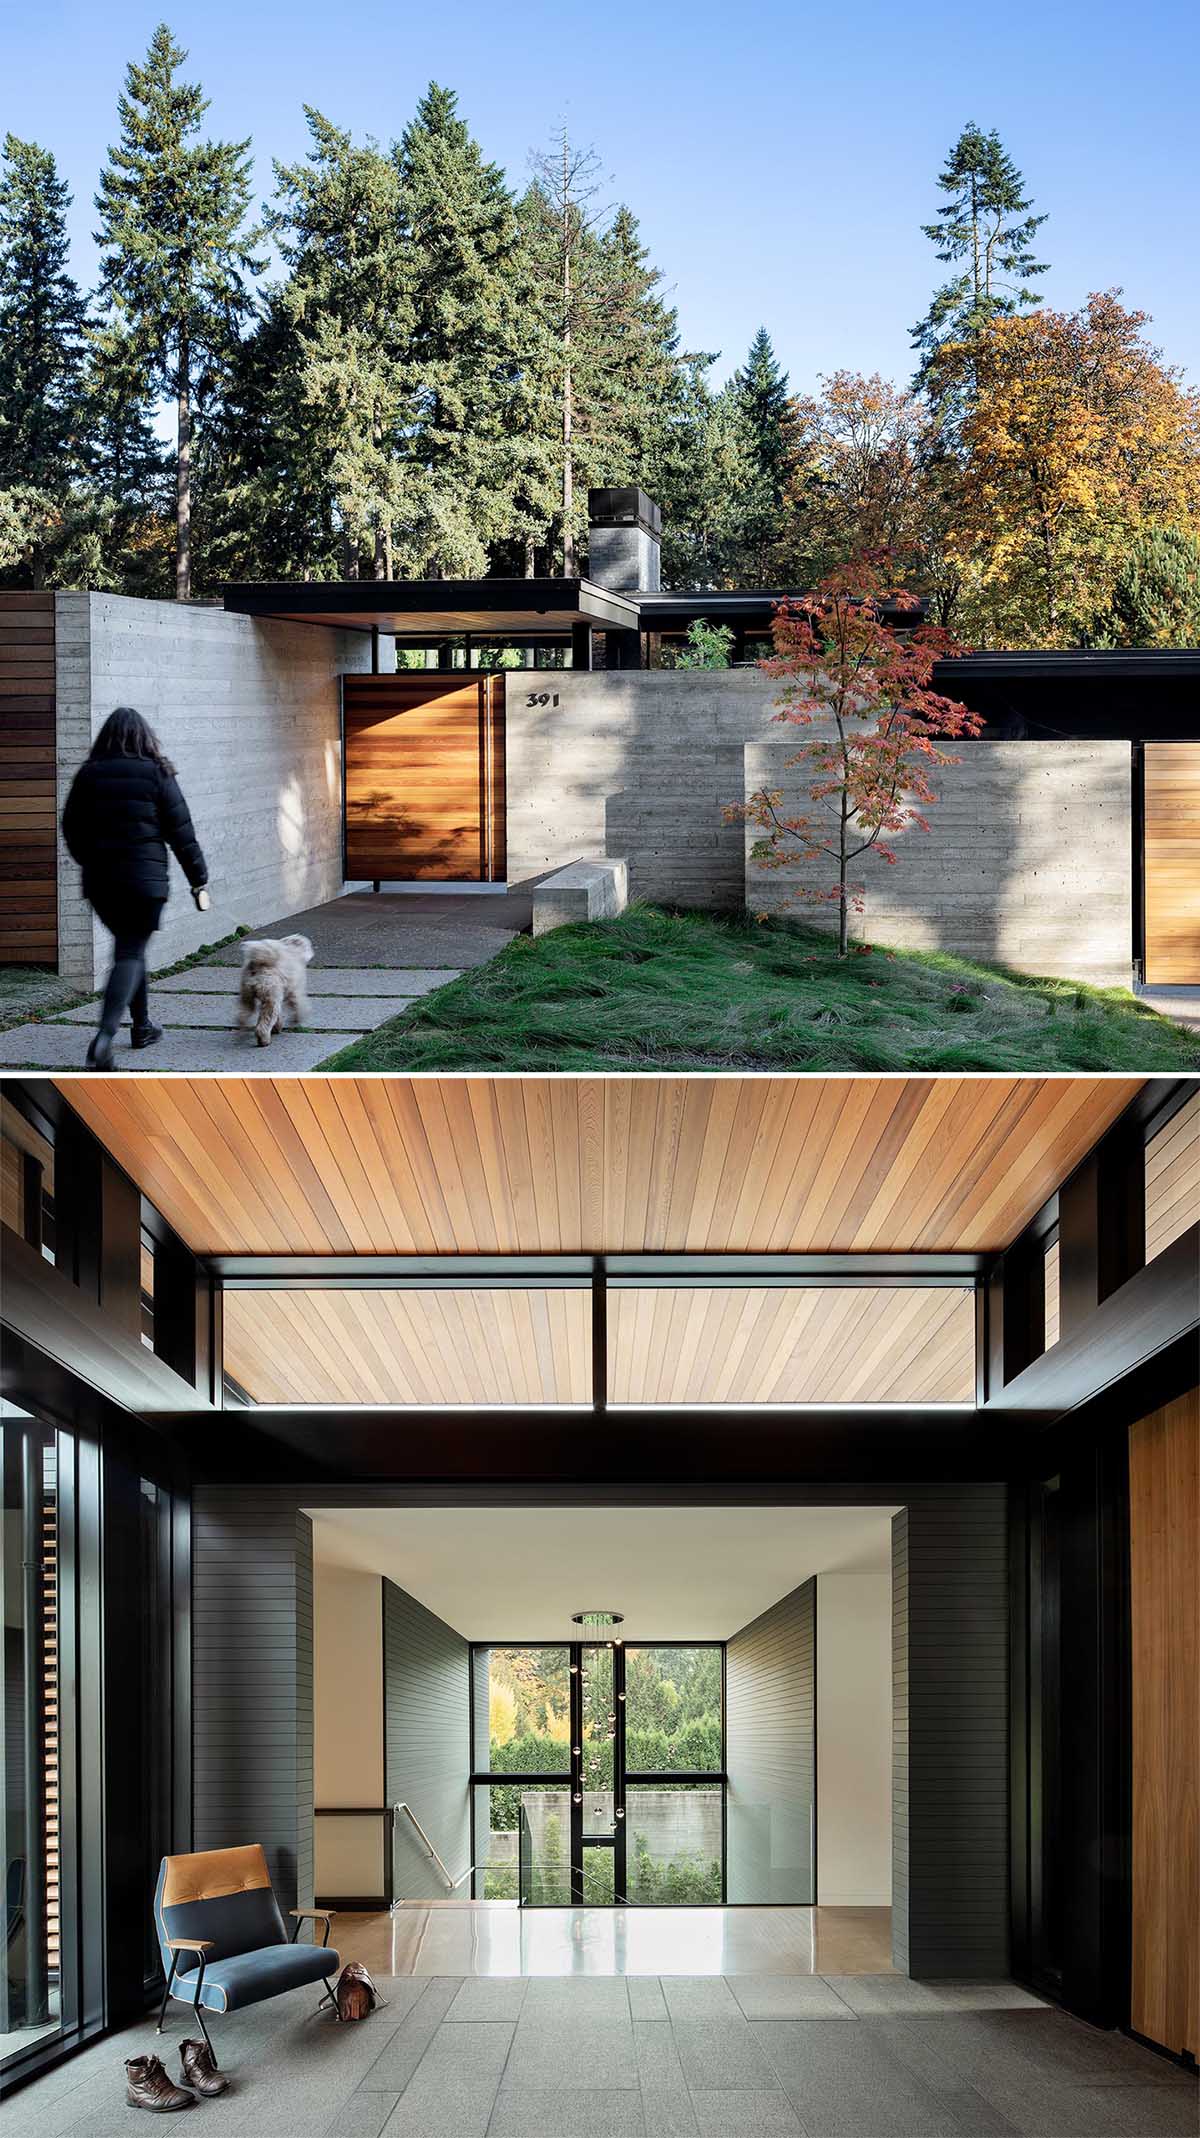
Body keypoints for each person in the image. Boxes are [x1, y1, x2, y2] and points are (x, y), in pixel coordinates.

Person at [62, 708, 210, 1069]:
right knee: (130, 952)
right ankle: (104, 1039)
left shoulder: (89, 774)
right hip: (145, 884)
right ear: (145, 736)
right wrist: (198, 880)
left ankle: (142, 1027)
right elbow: (182, 834)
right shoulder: (158, 773)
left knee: (131, 948)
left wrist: (90, 862)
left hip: (101, 883)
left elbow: (70, 828)